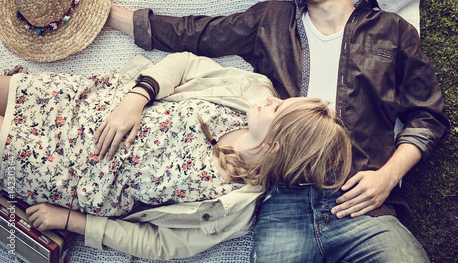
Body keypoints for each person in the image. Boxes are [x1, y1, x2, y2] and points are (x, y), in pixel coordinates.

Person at [107, 0, 450, 261]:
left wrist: (387, 177)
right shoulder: (272, 20)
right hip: (283, 199)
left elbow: (427, 116)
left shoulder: (391, 29)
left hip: (362, 200)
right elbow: (194, 33)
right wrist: (105, 15)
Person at [0, 51, 352, 260]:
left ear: (275, 146)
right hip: (87, 103)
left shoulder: (231, 210)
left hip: (62, 169)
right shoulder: (248, 93)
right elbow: (184, 64)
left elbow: (159, 243)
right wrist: (137, 97)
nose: (272, 98)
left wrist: (70, 221)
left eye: (277, 109)